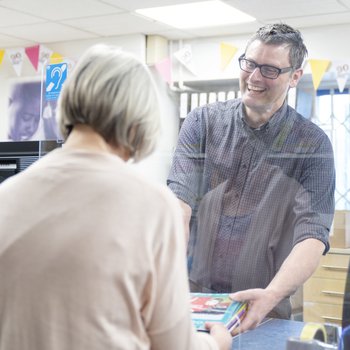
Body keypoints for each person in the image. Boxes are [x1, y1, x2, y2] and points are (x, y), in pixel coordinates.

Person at [0, 44, 231, 350]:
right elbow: (174, 346)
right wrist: (217, 343)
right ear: (139, 121)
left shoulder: (7, 195)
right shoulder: (153, 205)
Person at [167, 23, 335, 332]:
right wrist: (169, 276)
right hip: (191, 304)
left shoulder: (312, 145)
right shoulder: (201, 123)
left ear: (294, 76)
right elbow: (179, 203)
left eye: (270, 70)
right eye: (250, 64)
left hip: (263, 310)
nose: (255, 77)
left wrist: (272, 295)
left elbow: (312, 235)